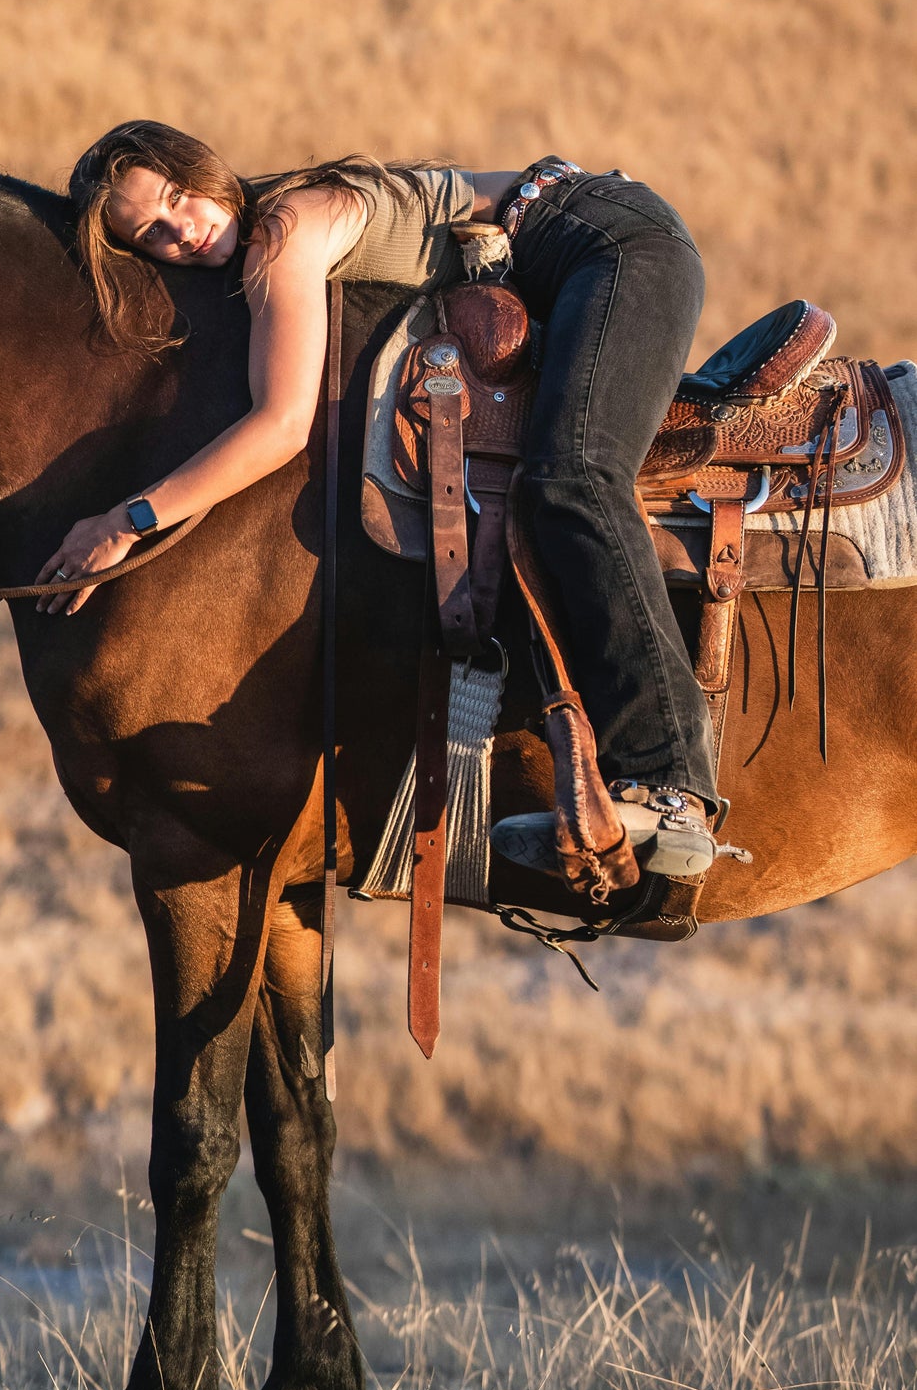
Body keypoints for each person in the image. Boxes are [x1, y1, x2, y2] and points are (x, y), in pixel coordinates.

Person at [36, 121, 718, 879]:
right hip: (573, 240)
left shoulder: (284, 232)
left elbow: (281, 425)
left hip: (610, 240)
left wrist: (128, 520)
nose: (179, 230)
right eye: (151, 233)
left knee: (575, 475)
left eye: (174, 197)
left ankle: (668, 787)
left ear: (199, 168)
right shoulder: (266, 235)